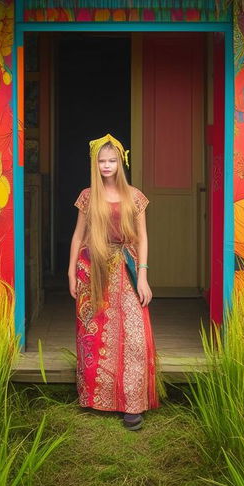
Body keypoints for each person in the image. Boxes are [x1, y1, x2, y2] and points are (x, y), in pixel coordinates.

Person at [68, 133, 159, 430]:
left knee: (133, 334)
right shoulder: (87, 195)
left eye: (112, 161)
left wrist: (143, 275)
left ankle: (132, 403)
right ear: (94, 165)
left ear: (121, 163)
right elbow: (79, 235)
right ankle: (96, 397)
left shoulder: (135, 196)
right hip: (91, 267)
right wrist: (71, 272)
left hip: (126, 265)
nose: (107, 166)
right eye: (101, 162)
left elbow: (143, 236)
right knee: (93, 333)